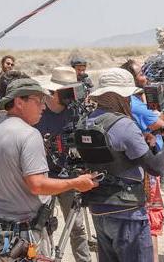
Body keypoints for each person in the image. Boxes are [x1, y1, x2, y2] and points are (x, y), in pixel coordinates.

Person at [0, 78, 98, 261]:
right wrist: (77, 183)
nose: (43, 107)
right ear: (19, 102)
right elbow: (37, 185)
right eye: (39, 101)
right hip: (24, 233)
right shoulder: (29, 134)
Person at [85, 68, 164, 262]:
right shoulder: (124, 125)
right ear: (116, 96)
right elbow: (155, 167)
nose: (130, 101)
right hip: (127, 211)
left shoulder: (87, 120)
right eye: (128, 96)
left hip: (98, 208)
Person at [34, 67, 92, 262]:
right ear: (56, 91)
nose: (73, 95)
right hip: (42, 178)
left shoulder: (75, 111)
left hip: (70, 178)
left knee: (76, 227)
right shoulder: (39, 112)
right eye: (69, 90)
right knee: (40, 226)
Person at [120, 59, 164, 262]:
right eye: (141, 73)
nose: (145, 76)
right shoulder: (135, 104)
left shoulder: (131, 101)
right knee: (151, 214)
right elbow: (159, 124)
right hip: (147, 165)